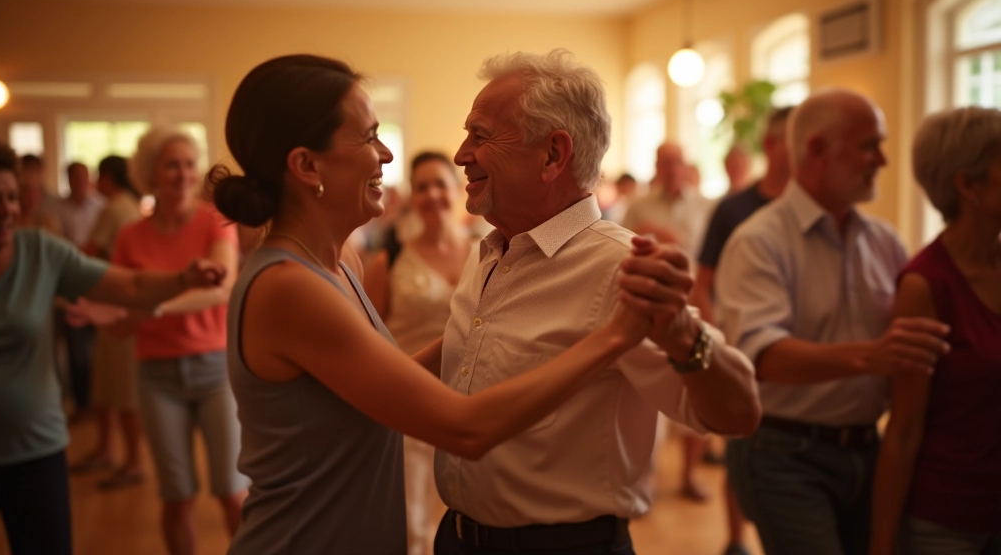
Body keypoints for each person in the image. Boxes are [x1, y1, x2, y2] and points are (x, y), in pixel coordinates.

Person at [207, 54, 661, 555]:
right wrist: (614, 335)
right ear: (307, 165)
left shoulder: (342, 264)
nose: (386, 155)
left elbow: (388, 382)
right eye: (368, 137)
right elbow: (466, 428)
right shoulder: (288, 287)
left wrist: (496, 321)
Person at [432, 49, 760, 555]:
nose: (460, 154)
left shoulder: (618, 267)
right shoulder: (497, 248)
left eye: (481, 136)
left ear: (552, 155)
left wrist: (685, 338)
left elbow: (740, 414)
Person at [715, 89, 951, 555]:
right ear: (817, 150)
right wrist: (873, 355)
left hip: (868, 447)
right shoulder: (759, 241)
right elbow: (763, 358)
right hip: (783, 452)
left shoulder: (884, 241)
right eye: (868, 145)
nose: (882, 159)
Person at [0, 137, 226, 555]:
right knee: (176, 492)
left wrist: (181, 279)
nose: (7, 211)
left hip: (38, 451)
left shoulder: (40, 251)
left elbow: (131, 284)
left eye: (12, 197)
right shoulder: (131, 230)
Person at [870, 106, 1001, 555]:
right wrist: (882, 546)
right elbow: (904, 429)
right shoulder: (925, 285)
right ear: (969, 185)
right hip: (948, 524)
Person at [111, 128, 245, 555]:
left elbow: (221, 288)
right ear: (151, 172)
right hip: (156, 373)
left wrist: (155, 308)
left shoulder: (215, 219)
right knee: (176, 493)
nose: (184, 173)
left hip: (214, 368)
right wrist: (114, 315)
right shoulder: (130, 236)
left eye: (190, 163)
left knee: (231, 489)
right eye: (172, 164)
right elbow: (120, 312)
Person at [688, 106, 793, 555]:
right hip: (741, 345)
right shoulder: (734, 209)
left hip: (790, 350)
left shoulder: (811, 211)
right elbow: (703, 280)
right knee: (741, 441)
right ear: (771, 146)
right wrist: (717, 339)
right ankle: (735, 539)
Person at [364, 151, 472, 555]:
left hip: (471, 396)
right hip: (410, 399)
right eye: (422, 186)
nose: (432, 195)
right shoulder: (388, 259)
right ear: (412, 196)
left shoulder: (487, 252)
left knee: (469, 513)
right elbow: (370, 340)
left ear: (457, 188)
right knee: (413, 517)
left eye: (439, 184)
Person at [623, 140, 716, 503]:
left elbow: (713, 257)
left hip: (695, 305)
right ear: (656, 167)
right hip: (649, 307)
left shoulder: (706, 206)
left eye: (676, 161)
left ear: (685, 164)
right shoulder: (638, 206)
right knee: (648, 396)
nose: (671, 168)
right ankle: (646, 476)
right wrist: (649, 236)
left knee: (697, 388)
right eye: (664, 162)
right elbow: (622, 249)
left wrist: (673, 240)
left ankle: (691, 475)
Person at [68, 155, 146, 489]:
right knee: (111, 384)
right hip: (120, 305)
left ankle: (133, 461)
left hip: (116, 306)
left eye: (100, 176)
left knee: (122, 388)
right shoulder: (129, 207)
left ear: (109, 178)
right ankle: (109, 450)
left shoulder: (114, 208)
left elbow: (89, 251)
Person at [56, 161, 108, 419]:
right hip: (71, 285)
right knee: (76, 351)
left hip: (99, 283)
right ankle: (82, 405)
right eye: (74, 177)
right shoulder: (56, 208)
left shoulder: (102, 206)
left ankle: (100, 405)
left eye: (83, 176)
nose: (79, 181)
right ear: (67, 179)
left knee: (100, 350)